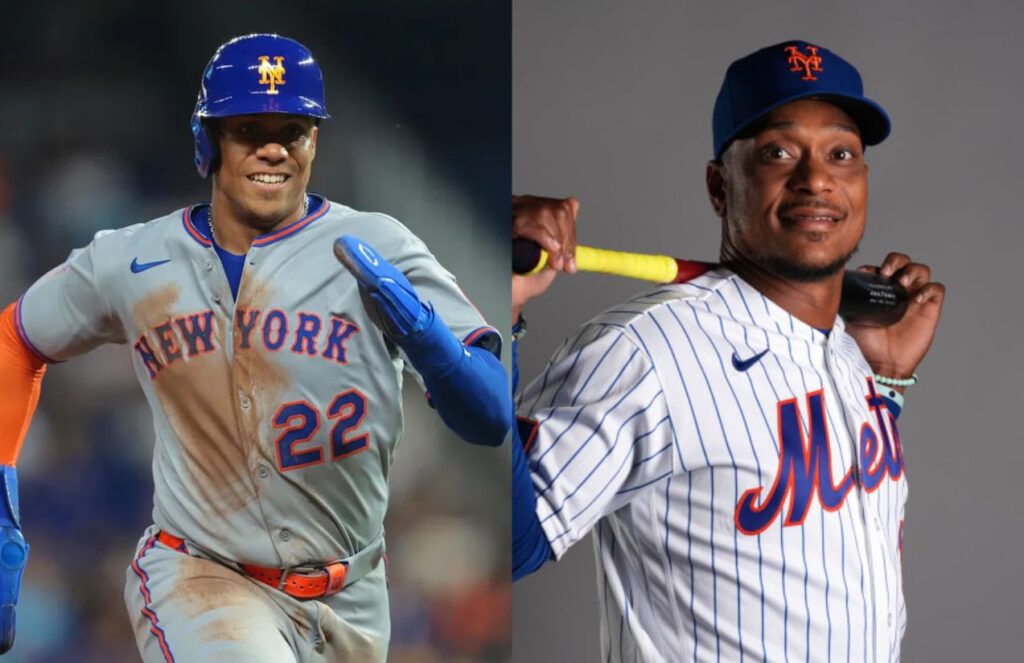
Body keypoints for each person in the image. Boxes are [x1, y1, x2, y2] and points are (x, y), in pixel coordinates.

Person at [0, 33, 511, 662]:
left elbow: (490, 417)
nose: (273, 146)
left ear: (314, 142)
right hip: (203, 576)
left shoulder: (378, 246)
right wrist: (1, 503)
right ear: (207, 140)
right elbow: (15, 338)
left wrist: (427, 337)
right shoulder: (130, 259)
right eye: (248, 128)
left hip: (352, 594)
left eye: (292, 129)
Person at [511, 40, 945, 662]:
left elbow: (825, 506)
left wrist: (887, 381)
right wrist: (505, 316)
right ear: (720, 186)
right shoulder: (643, 352)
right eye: (778, 152)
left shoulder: (850, 352)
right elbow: (511, 542)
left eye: (841, 153)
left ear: (864, 181)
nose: (816, 178)